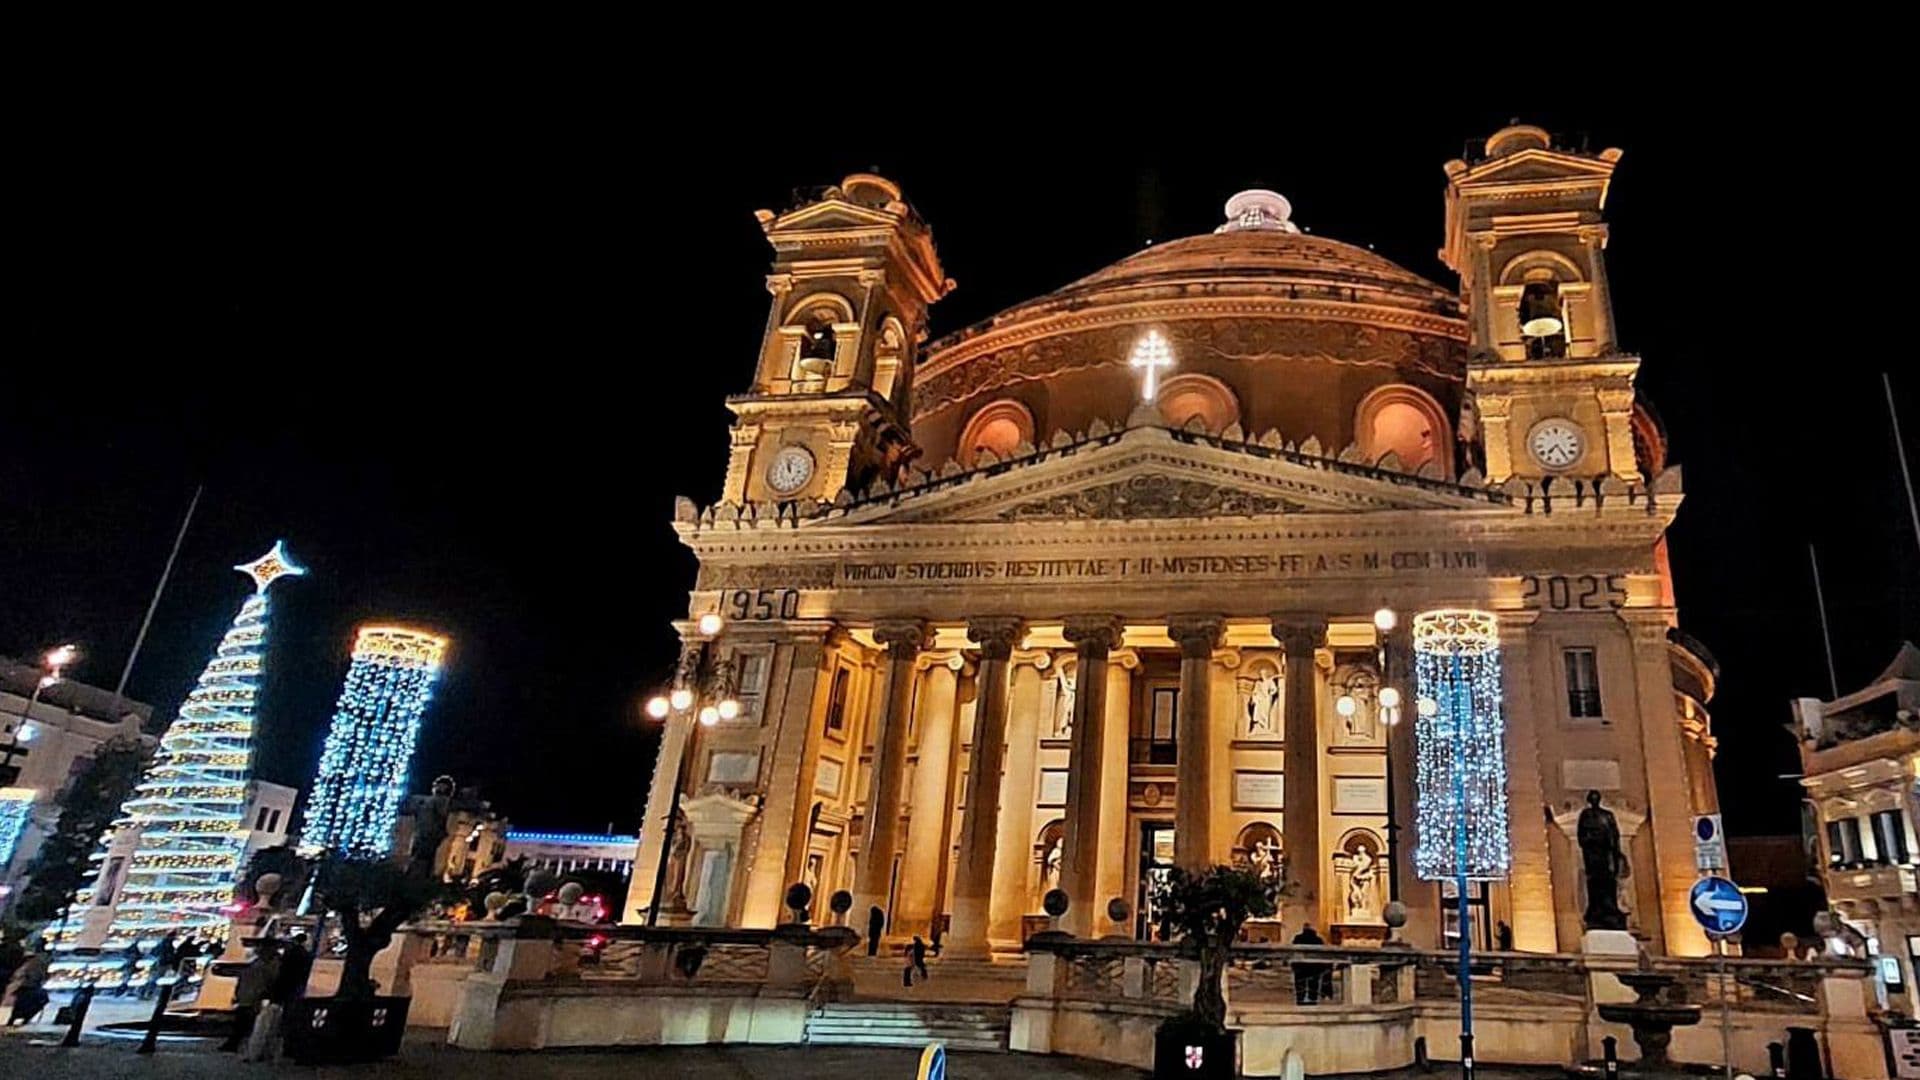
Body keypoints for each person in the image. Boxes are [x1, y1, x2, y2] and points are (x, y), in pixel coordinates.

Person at [6, 950, 50, 1026]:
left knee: (21, 1007)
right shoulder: (34, 964)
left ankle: (17, 1020)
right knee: (23, 1006)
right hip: (29, 988)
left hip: (28, 988)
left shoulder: (30, 965)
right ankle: (22, 1019)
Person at [1290, 923, 1329, 1005]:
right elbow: (1322, 953)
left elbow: (1293, 951)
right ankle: (1313, 999)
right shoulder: (1318, 940)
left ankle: (1300, 999)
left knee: (1300, 983)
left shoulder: (1298, 938)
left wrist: (1293, 964)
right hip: (1314, 966)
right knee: (1313, 984)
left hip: (1300, 965)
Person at [142, 931, 180, 998]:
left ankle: (148, 992)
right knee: (162, 977)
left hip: (163, 962)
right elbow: (168, 953)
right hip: (166, 962)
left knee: (159, 977)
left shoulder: (164, 942)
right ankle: (148, 992)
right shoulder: (169, 942)